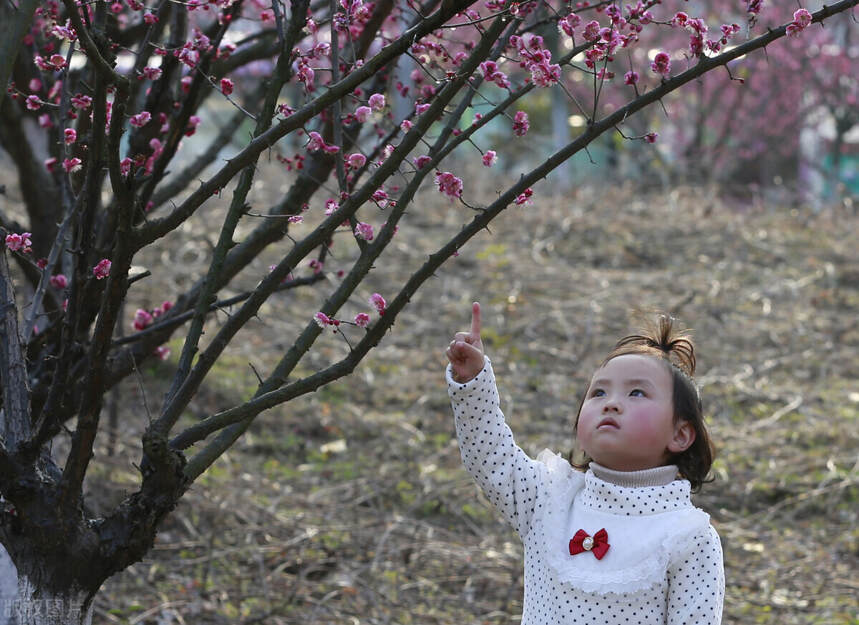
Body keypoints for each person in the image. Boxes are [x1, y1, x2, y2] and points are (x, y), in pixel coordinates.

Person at [445, 302, 724, 625]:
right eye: (599, 393)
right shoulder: (549, 499)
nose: (612, 404)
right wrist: (473, 384)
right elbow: (491, 459)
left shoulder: (688, 537)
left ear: (680, 434)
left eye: (636, 393)